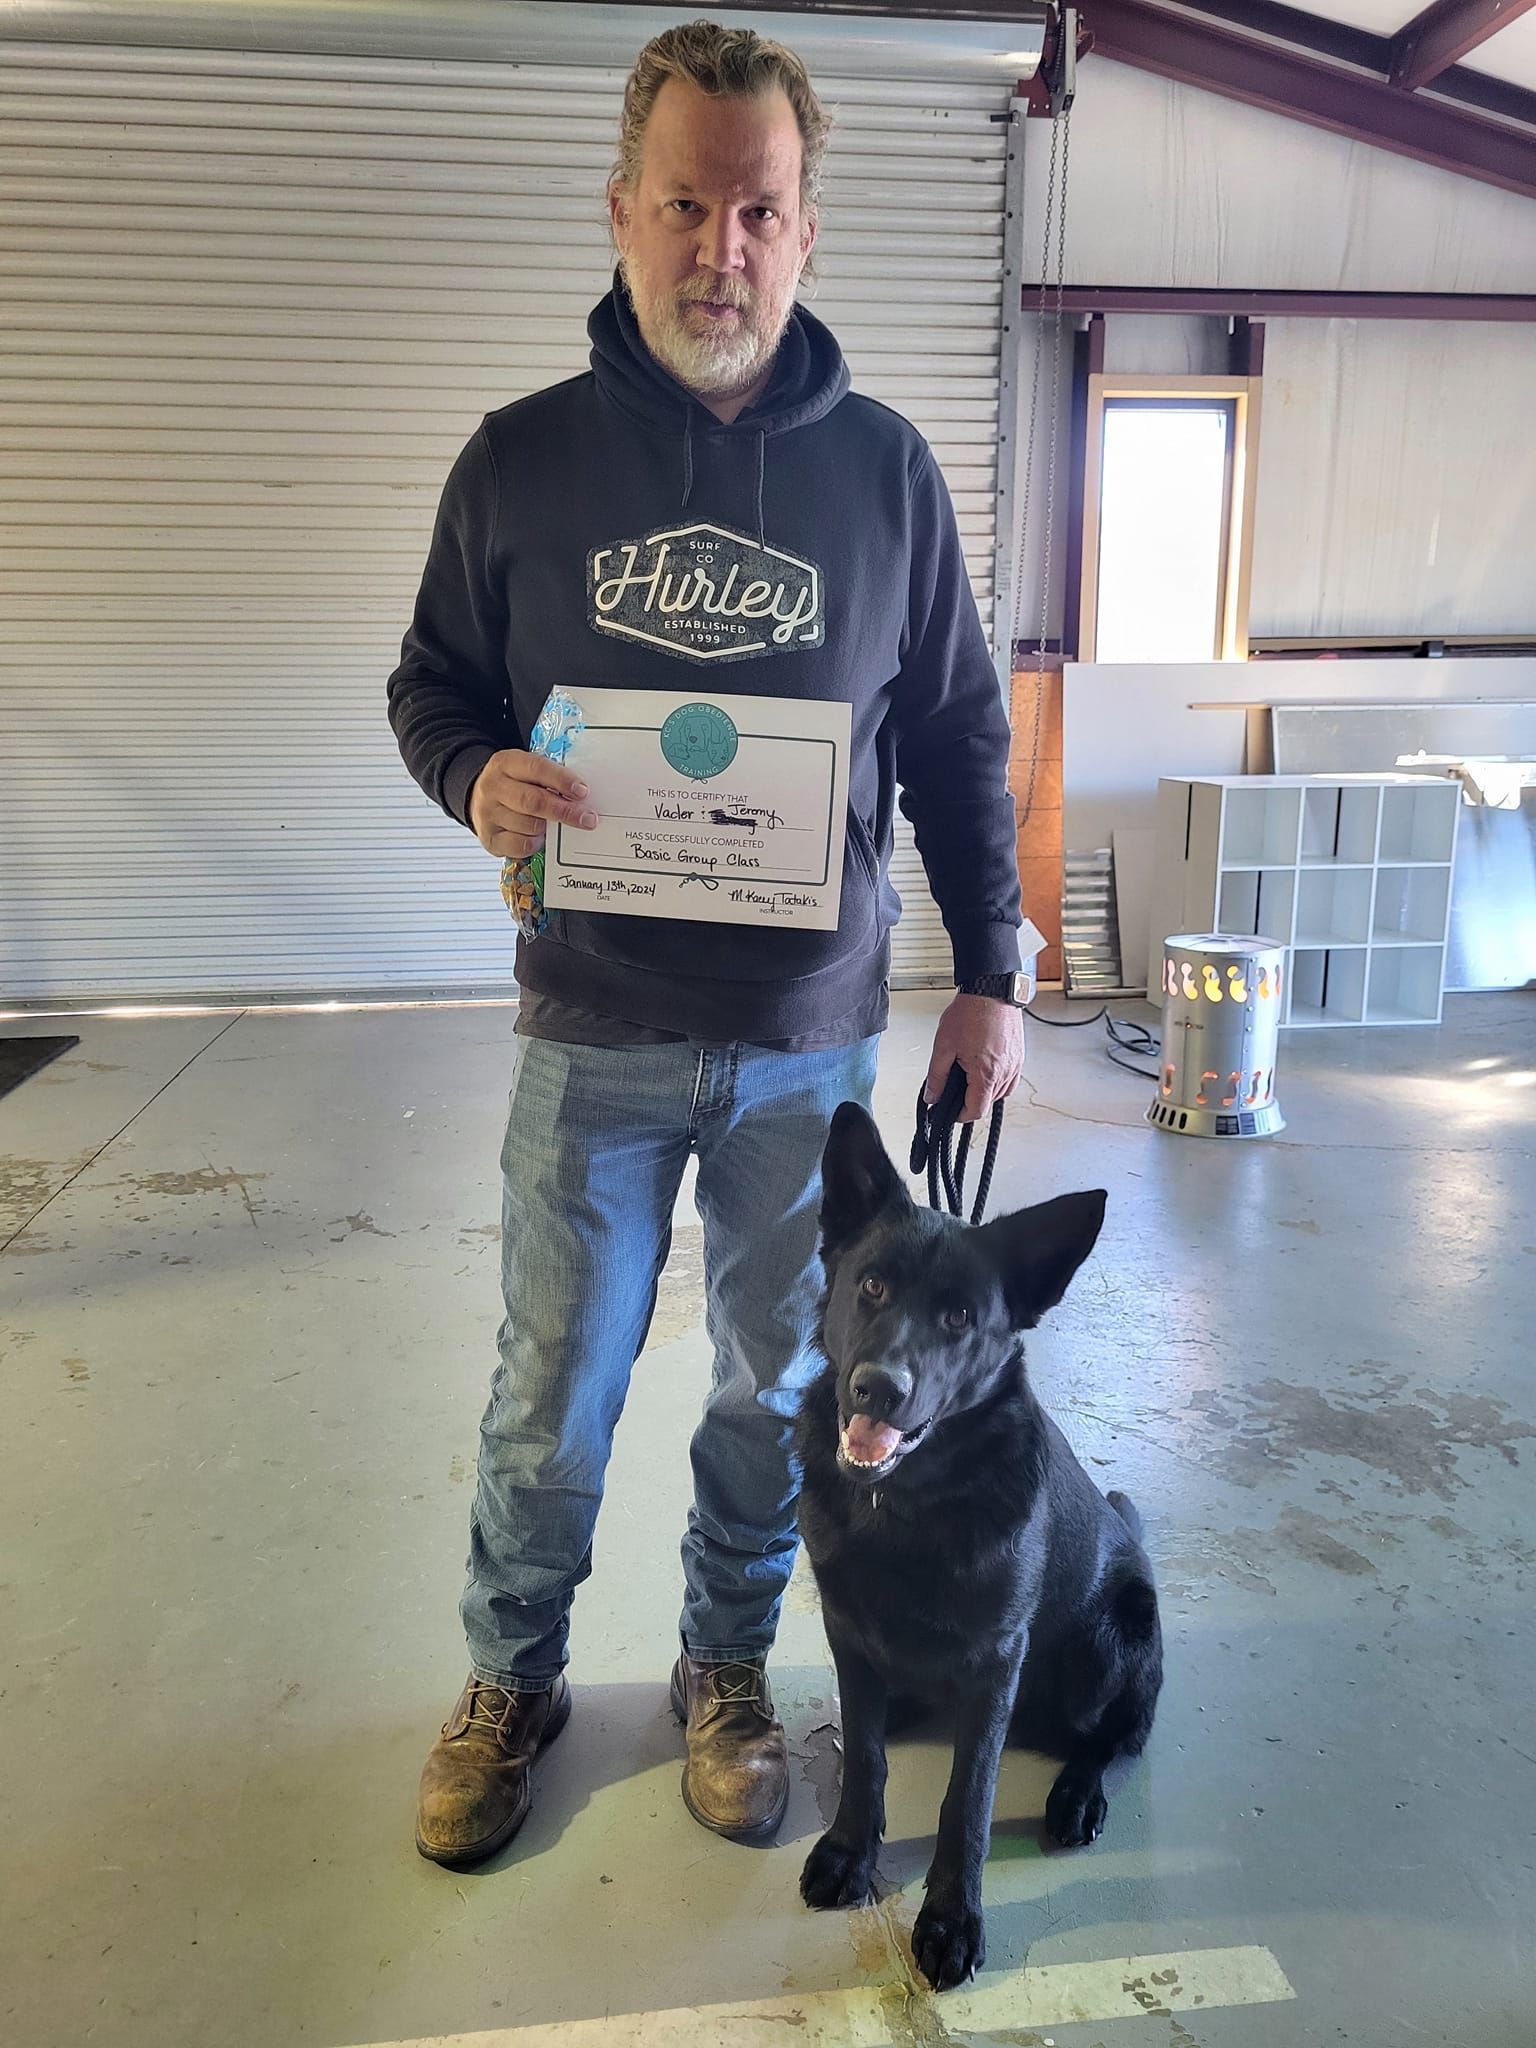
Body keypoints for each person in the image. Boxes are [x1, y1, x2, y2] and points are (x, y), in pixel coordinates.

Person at [388, 17, 1026, 1871]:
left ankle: (726, 1666)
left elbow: (964, 737)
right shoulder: (517, 465)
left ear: (809, 229)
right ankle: (512, 1678)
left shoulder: (891, 478)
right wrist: (476, 777)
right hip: (589, 1025)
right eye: (685, 204)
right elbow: (432, 683)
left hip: (810, 1056)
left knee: (784, 1391)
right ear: (622, 212)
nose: (718, 248)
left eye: (758, 210)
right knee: (550, 1391)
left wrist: (993, 969)